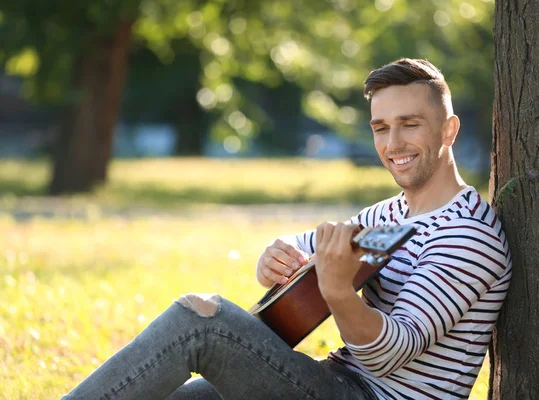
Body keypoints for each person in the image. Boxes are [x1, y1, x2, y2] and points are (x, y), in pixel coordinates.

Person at [62, 58, 511, 400]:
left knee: (201, 320)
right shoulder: (392, 216)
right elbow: (308, 251)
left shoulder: (468, 235)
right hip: (333, 379)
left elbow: (391, 352)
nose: (393, 145)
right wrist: (273, 258)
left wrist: (337, 292)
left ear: (448, 130)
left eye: (410, 125)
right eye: (381, 128)